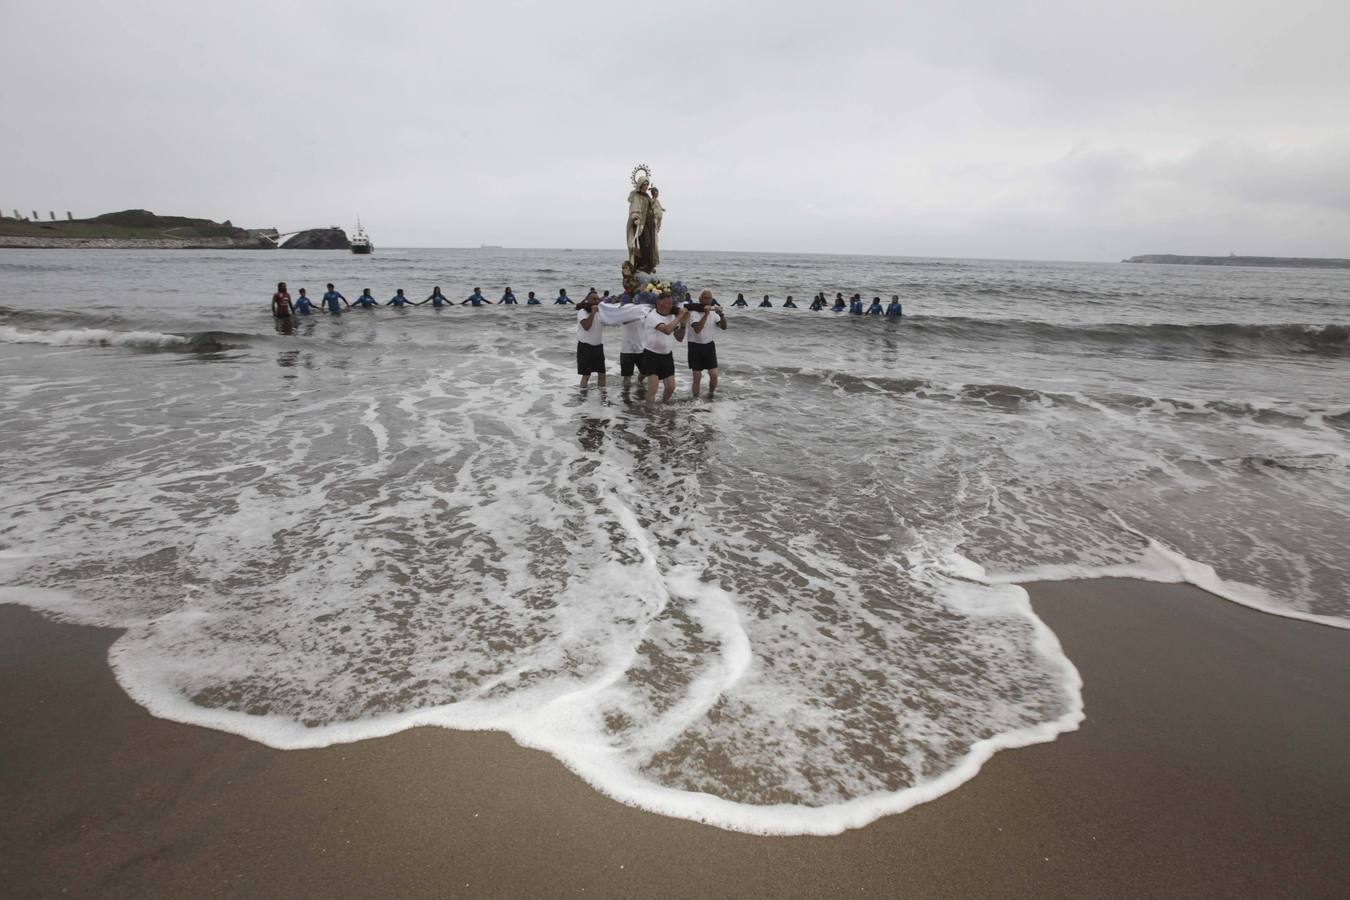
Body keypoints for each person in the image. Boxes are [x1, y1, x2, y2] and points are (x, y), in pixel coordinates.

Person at [640, 291, 688, 401]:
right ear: (658, 303)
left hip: (666, 355)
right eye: (667, 303)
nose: (670, 306)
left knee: (671, 387)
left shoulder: (672, 317)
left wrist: (684, 324)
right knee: (653, 388)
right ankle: (649, 412)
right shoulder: (652, 316)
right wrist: (680, 316)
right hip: (651, 354)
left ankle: (664, 405)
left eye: (671, 303)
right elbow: (666, 330)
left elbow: (679, 338)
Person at [687, 290, 727, 398]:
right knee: (697, 377)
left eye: (709, 298)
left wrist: (722, 315)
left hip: (709, 345)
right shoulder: (694, 312)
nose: (707, 300)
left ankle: (711, 395)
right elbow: (697, 330)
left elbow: (724, 327)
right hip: (695, 346)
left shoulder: (714, 313)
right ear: (700, 299)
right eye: (705, 297)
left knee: (714, 375)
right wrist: (706, 314)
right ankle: (695, 399)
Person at [576, 292, 606, 388]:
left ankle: (603, 399)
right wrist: (593, 313)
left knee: (602, 374)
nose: (596, 301)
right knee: (586, 375)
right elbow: (586, 327)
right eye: (594, 299)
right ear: (587, 301)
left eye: (598, 299)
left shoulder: (601, 312)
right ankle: (583, 399)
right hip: (585, 347)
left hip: (598, 347)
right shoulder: (582, 312)